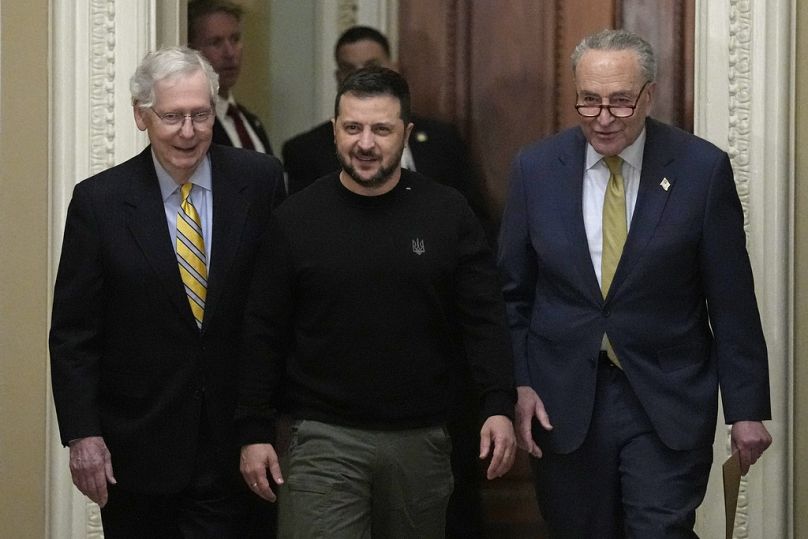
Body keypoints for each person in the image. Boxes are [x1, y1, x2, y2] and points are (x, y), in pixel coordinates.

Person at [497, 28, 772, 538]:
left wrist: (747, 409)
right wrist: (519, 381)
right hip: (564, 400)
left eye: (621, 102)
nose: (603, 118)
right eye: (589, 101)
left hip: (665, 396)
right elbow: (513, 292)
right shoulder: (535, 168)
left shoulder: (700, 169)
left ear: (649, 95)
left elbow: (731, 300)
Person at [237, 66, 517, 538]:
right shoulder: (295, 220)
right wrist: (252, 431)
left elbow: (484, 319)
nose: (365, 143)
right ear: (334, 130)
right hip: (322, 439)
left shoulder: (448, 213)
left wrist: (498, 404)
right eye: (352, 128)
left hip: (423, 440)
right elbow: (262, 330)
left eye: (381, 129)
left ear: (406, 134)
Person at [49, 46, 285, 537]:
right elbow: (74, 332)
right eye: (173, 116)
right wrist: (82, 433)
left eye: (201, 115)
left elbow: (274, 310)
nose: (189, 131)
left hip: (237, 445)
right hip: (137, 448)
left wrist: (263, 425)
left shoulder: (259, 182)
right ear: (141, 116)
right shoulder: (100, 203)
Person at [281, 26, 486, 222]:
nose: (366, 143)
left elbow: (474, 217)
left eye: (382, 129)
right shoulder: (305, 151)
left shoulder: (442, 139)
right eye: (349, 68)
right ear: (338, 77)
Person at [188, 0, 273, 154]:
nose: (230, 53)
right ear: (192, 49)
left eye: (235, 39)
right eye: (215, 42)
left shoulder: (251, 122)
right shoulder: (191, 126)